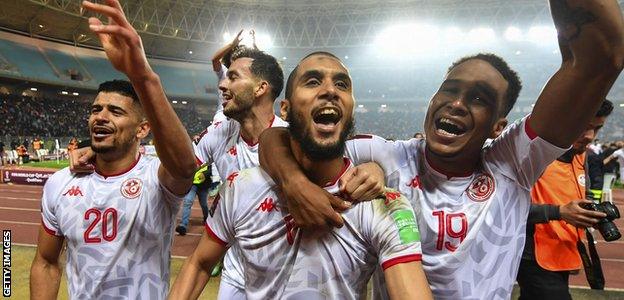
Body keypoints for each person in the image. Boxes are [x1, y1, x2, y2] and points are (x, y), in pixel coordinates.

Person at [258, 1, 624, 298]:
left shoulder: (513, 162)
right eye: (450, 90)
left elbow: (600, 56)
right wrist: (294, 182)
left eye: (479, 99)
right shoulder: (386, 154)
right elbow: (277, 137)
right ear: (433, 99)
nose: (458, 103)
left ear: (498, 126)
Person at [169, 52, 433, 300]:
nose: (330, 90)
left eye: (342, 84)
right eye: (313, 81)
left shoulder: (386, 206)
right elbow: (200, 263)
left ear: (352, 109)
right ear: (284, 109)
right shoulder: (240, 187)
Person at [29, 0, 196, 298]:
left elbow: (185, 167)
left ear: (142, 129)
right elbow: (45, 261)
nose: (100, 116)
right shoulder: (60, 183)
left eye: (115, 112)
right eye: (96, 109)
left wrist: (142, 74)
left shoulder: (156, 179)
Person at [517, 99, 614, 299]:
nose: (590, 136)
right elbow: (505, 209)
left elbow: (578, 195)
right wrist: (560, 212)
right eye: (584, 127)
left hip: (562, 250)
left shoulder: (581, 156)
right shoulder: (533, 155)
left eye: (597, 129)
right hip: (532, 255)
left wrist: (589, 212)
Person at [175, 163, 211, 236]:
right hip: (192, 184)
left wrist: (205, 174)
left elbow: (213, 167)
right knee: (187, 201)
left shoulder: (209, 154)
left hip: (204, 186)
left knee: (204, 204)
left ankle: (207, 218)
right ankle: (183, 225)